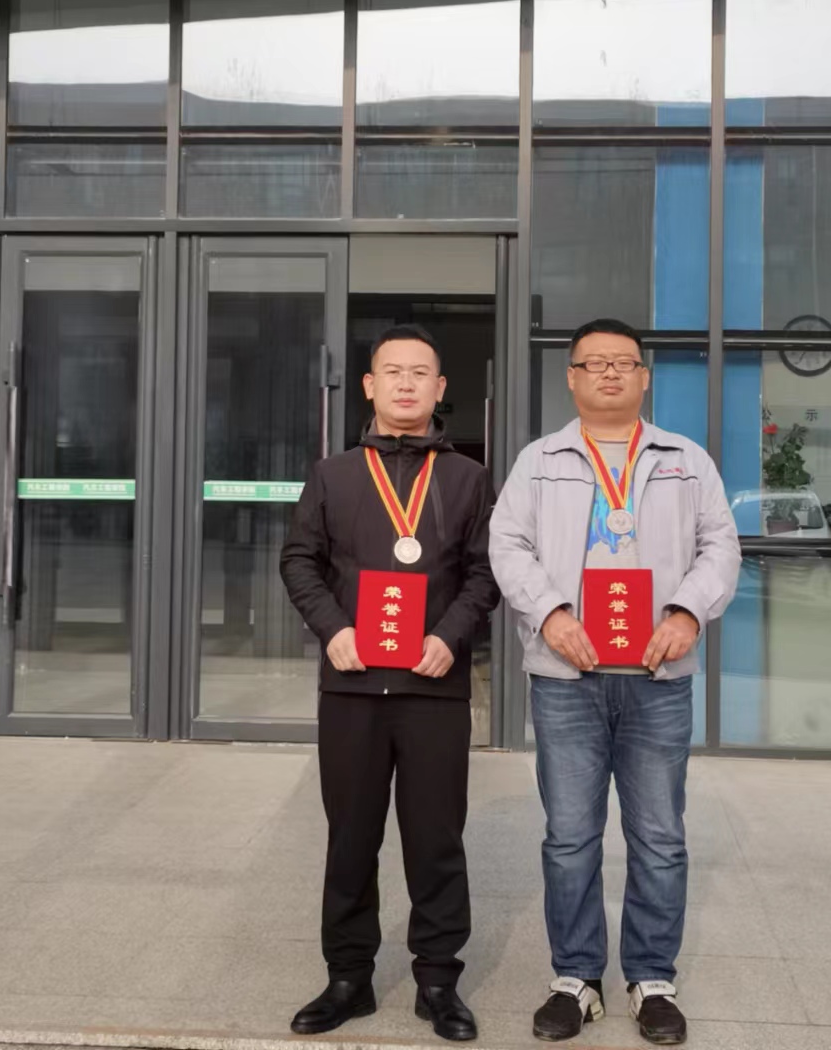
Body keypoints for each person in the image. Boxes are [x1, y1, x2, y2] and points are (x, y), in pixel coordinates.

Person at [489, 318, 740, 1046]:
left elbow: (720, 545)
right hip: (567, 676)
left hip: (658, 676)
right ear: (571, 377)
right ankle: (576, 977)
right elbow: (507, 544)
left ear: (644, 377)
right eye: (593, 363)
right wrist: (551, 613)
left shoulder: (685, 460)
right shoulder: (539, 461)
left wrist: (689, 611)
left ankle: (652, 978)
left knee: (659, 835)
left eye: (623, 362)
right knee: (570, 836)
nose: (608, 373)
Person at [280, 323, 500, 1043]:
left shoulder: (468, 478)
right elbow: (299, 561)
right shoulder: (333, 475)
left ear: (441, 388)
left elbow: (485, 573)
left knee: (436, 840)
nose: (407, 383)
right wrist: (332, 628)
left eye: (421, 373)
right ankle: (348, 978)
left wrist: (449, 636)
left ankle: (438, 981)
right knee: (351, 838)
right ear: (369, 386)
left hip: (433, 687)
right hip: (352, 685)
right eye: (393, 372)